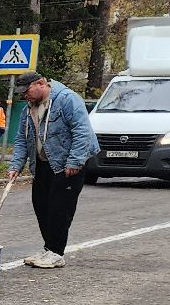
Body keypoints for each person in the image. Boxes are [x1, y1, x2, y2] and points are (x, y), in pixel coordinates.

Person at [8, 73, 101, 269]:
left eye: (27, 91)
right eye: (22, 93)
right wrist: (16, 165)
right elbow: (22, 139)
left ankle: (57, 252)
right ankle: (48, 248)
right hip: (43, 163)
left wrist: (74, 162)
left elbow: (82, 131)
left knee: (60, 208)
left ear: (41, 83)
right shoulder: (29, 109)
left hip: (68, 164)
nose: (25, 96)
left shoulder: (67, 99)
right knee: (41, 205)